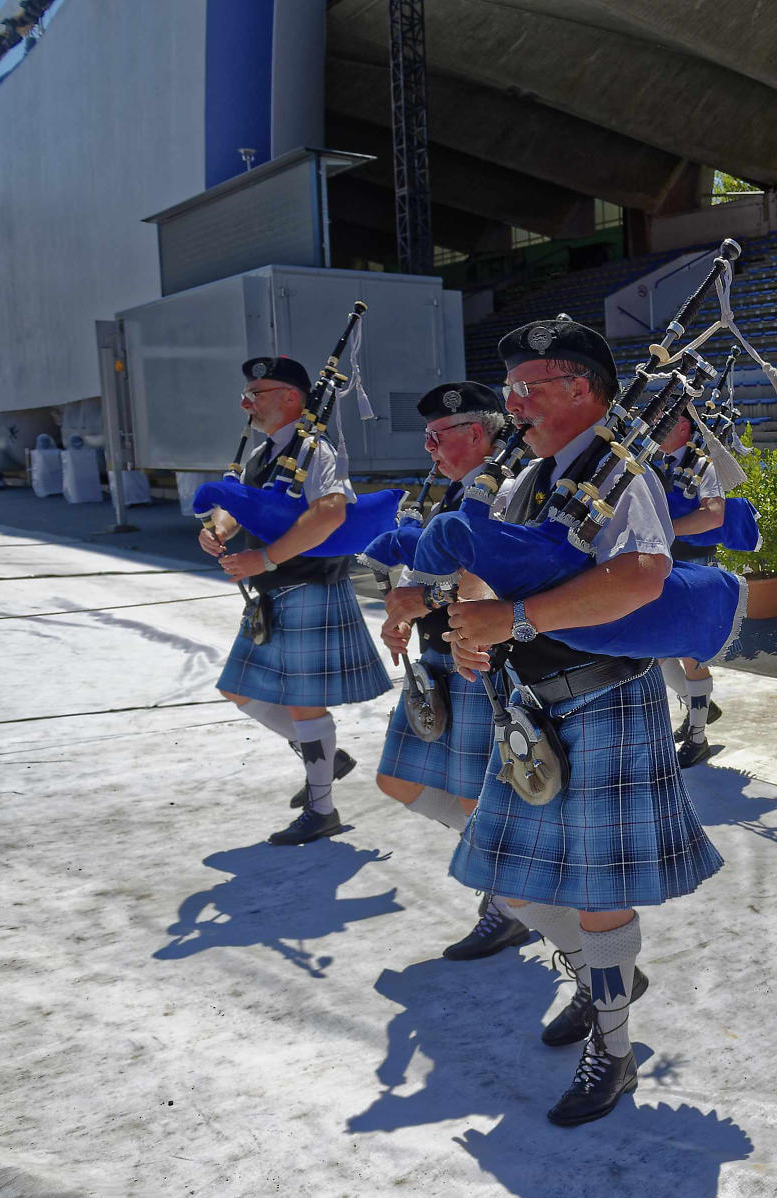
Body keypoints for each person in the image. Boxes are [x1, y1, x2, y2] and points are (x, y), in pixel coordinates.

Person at [443, 317, 721, 1126]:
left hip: (601, 695)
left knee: (598, 894)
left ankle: (616, 1047)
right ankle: (609, 978)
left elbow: (638, 579)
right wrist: (472, 629)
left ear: (583, 391)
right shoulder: (526, 478)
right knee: (515, 883)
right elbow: (485, 572)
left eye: (531, 387)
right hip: (533, 700)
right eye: (513, 389)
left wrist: (512, 621)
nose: (514, 403)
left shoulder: (622, 474)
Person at [371, 382, 537, 960]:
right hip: (441, 654)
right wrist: (402, 609)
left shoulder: (512, 488)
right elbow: (436, 564)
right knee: (400, 781)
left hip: (480, 662)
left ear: (475, 433)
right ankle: (511, 876)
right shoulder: (457, 490)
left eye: (439, 436)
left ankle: (511, 903)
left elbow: (486, 576)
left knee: (476, 802)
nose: (429, 447)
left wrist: (425, 600)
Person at [201, 356, 391, 846]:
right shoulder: (265, 453)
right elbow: (237, 504)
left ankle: (321, 806)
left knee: (305, 705)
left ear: (291, 397)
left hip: (309, 586)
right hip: (271, 594)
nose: (247, 401)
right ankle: (325, 756)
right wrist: (216, 528)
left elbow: (328, 516)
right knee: (239, 690)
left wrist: (263, 559)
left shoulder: (317, 452)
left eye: (257, 392)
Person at [654, 411, 727, 769]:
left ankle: (698, 738)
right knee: (658, 651)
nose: (658, 428)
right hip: (658, 567)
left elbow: (713, 515)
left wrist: (666, 529)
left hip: (694, 566)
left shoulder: (703, 466)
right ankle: (700, 706)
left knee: (691, 654)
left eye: (666, 423)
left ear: (683, 427)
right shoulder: (649, 461)